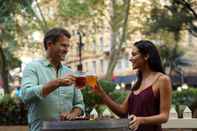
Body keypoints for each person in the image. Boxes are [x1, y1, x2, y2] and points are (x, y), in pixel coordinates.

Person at [95, 40, 172, 131]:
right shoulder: (137, 83)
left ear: (146, 56)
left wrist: (141, 120)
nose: (130, 59)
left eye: (134, 54)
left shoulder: (162, 80)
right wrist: (101, 93)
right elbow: (122, 112)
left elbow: (164, 116)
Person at [20, 28, 85, 131]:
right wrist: (57, 83)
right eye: (63, 45)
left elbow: (79, 104)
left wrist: (73, 113)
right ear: (50, 44)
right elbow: (26, 95)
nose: (67, 49)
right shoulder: (32, 67)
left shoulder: (70, 72)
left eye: (68, 46)